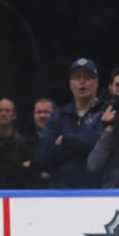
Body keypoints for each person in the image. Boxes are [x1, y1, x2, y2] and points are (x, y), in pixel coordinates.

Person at [39, 58, 104, 188]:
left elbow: (102, 147)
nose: (82, 81)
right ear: (70, 84)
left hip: (98, 194)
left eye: (87, 77)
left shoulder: (106, 113)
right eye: (76, 77)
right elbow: (46, 156)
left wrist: (64, 140)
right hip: (62, 194)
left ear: (96, 82)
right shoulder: (57, 116)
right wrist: (84, 147)